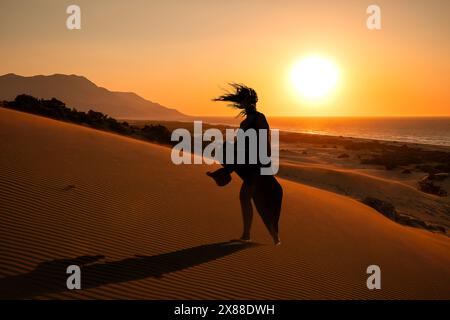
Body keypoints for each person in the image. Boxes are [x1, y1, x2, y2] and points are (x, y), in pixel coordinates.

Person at [207, 84, 283, 245]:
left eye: (249, 102)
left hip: (257, 164)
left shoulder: (259, 117)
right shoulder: (245, 122)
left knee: (249, 197)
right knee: (252, 198)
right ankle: (265, 237)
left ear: (253, 102)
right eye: (244, 102)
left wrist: (265, 161)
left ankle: (252, 235)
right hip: (248, 161)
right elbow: (240, 143)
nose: (246, 105)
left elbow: (265, 140)